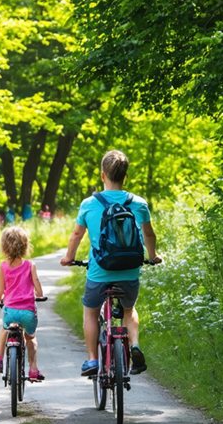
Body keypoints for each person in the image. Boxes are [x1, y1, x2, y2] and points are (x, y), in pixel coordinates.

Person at [59, 149, 162, 376]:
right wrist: (153, 256)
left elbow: (76, 235)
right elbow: (149, 235)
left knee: (91, 311)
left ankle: (93, 360)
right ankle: (134, 345)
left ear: (102, 174)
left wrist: (69, 258)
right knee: (129, 309)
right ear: (125, 176)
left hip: (99, 272)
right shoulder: (139, 203)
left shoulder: (89, 204)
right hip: (129, 271)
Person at [0, 226, 46, 381]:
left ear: (4, 246)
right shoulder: (30, 265)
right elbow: (36, 282)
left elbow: (1, 289)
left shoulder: (3, 266)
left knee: (4, 329)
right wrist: (40, 295)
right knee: (31, 338)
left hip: (11, 311)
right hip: (28, 312)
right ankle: (33, 369)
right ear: (25, 245)